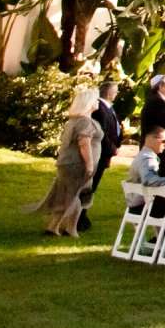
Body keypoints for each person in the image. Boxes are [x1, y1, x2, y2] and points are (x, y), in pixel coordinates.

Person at [32, 86, 102, 236]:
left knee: (66, 193)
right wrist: (89, 164)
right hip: (77, 164)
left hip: (67, 163)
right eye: (95, 99)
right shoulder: (84, 122)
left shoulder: (73, 121)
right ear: (89, 102)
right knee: (75, 195)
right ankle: (71, 229)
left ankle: (54, 226)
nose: (98, 102)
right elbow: (84, 143)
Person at [80, 78, 124, 233]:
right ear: (110, 92)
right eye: (115, 90)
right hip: (99, 153)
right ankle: (80, 217)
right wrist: (112, 148)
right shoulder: (100, 109)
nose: (117, 93)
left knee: (93, 186)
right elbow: (102, 133)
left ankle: (82, 215)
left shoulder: (109, 108)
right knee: (89, 185)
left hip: (105, 154)